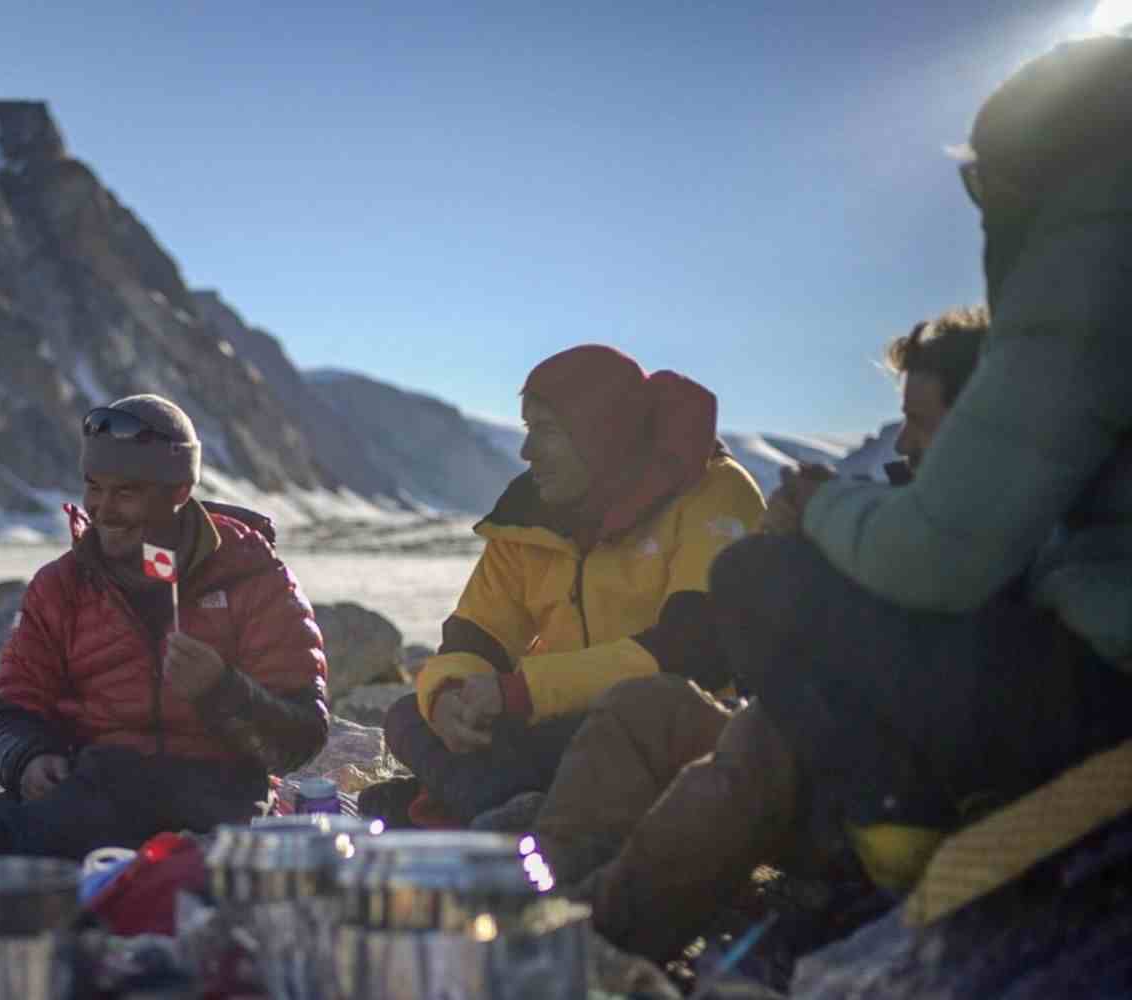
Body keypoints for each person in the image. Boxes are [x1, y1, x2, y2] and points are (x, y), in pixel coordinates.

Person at [599, 36, 1132, 974]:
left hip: (1094, 690)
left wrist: (816, 518)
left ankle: (599, 946)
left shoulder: (1096, 246)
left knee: (761, 599)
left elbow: (944, 555)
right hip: (1072, 668)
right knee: (741, 720)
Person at [558, 307, 986, 963]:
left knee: (766, 737)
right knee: (644, 707)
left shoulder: (1005, 529)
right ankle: (547, 898)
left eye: (921, 423)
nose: (902, 443)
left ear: (984, 424)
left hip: (892, 801)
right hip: (832, 752)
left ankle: (579, 948)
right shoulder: (901, 513)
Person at [0, 394, 329, 902]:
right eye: (95, 488)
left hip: (215, 799)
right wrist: (30, 759)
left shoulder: (252, 578)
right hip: (88, 793)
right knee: (45, 807)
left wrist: (221, 690)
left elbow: (301, 736)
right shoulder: (62, 586)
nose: (104, 510)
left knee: (62, 813)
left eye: (127, 493)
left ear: (178, 491)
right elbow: (12, 711)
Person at [373, 345, 763, 830]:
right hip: (553, 726)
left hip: (676, 728)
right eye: (526, 429)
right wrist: (450, 698)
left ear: (602, 435)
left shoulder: (713, 493)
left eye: (546, 431)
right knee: (411, 714)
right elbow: (474, 637)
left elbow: (696, 652)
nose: (527, 451)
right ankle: (517, 810)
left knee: (602, 734)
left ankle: (468, 805)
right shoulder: (529, 515)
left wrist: (524, 692)